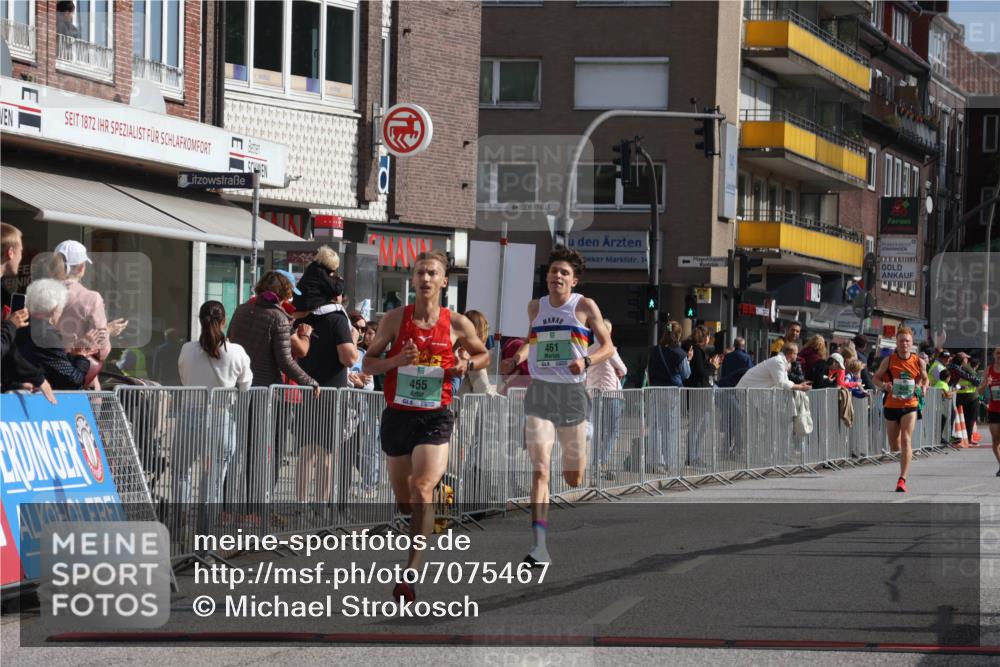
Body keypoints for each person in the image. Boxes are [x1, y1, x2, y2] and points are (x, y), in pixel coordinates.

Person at [362, 250, 489, 602]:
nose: (426, 278)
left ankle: (410, 573)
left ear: (443, 281)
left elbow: (484, 355)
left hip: (436, 415)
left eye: (432, 273)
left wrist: (466, 364)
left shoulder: (457, 323)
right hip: (398, 415)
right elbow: (368, 363)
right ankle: (418, 517)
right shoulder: (394, 319)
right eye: (420, 273)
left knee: (421, 490)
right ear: (413, 280)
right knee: (405, 501)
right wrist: (396, 361)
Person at [500, 248, 614, 568]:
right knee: (540, 470)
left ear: (573, 280)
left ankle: (581, 445)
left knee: (573, 476)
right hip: (541, 392)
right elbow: (530, 340)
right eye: (553, 271)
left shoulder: (584, 306)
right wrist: (517, 358)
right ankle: (539, 547)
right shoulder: (535, 306)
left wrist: (586, 360)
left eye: (564, 272)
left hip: (572, 394)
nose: (557, 276)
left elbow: (608, 347)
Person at [291, 256, 359, 504]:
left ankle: (301, 504)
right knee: (327, 455)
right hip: (332, 392)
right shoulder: (337, 319)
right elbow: (349, 358)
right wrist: (353, 337)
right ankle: (320, 507)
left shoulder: (304, 317)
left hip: (308, 390)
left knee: (305, 453)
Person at [178, 301, 253, 500]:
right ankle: (206, 526)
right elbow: (245, 386)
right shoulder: (237, 351)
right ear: (224, 321)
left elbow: (184, 379)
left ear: (200, 321)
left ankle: (181, 517)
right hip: (222, 418)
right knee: (215, 476)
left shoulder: (187, 349)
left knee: (180, 471)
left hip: (189, 416)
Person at [48, 240, 127, 374]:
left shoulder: (40, 295)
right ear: (81, 267)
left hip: (41, 378)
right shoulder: (91, 298)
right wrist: (107, 330)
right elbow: (101, 351)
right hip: (75, 376)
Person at [1, 223, 55, 401]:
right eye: (20, 251)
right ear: (10, 253)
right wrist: (10, 325)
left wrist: (15, 383)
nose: (21, 257)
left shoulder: (4, 294)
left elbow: (8, 352)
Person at [873, 327, 928, 493]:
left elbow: (925, 380)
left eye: (907, 341)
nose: (904, 343)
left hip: (910, 405)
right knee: (894, 445)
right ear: (896, 342)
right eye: (901, 340)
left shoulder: (919, 361)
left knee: (906, 440)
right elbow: (875, 378)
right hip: (891, 405)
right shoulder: (888, 361)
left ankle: (902, 479)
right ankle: (905, 456)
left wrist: (922, 387)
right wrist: (884, 385)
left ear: (912, 343)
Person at [20, 279, 99, 390]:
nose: (61, 314)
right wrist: (81, 356)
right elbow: (74, 380)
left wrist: (74, 356)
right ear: (54, 308)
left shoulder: (20, 324)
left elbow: (52, 363)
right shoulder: (46, 335)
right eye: (62, 309)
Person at [585, 318, 627, 477]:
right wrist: (618, 372)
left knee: (596, 430)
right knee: (612, 431)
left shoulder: (588, 350)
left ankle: (595, 463)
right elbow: (624, 368)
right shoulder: (609, 349)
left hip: (593, 393)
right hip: (611, 393)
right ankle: (602, 461)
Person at [737, 342, 812, 391]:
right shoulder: (778, 362)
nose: (797, 356)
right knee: (751, 415)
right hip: (745, 390)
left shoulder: (781, 361)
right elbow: (781, 383)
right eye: (796, 353)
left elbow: (785, 381)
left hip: (749, 390)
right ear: (790, 354)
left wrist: (799, 385)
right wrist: (800, 387)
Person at [977, 346, 1000, 476]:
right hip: (994, 409)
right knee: (996, 440)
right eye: (997, 353)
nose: (999, 355)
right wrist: (986, 383)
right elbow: (979, 391)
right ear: (994, 355)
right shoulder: (988, 370)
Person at [647, 321, 691, 388]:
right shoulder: (680, 354)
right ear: (678, 335)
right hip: (674, 392)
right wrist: (688, 360)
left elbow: (650, 370)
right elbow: (686, 375)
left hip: (656, 390)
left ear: (665, 333)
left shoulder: (655, 350)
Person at [952, 352, 980, 445]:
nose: (967, 360)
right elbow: (975, 380)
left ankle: (965, 438)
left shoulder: (957, 368)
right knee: (970, 419)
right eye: (966, 359)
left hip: (959, 396)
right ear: (963, 359)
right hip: (970, 396)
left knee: (962, 419)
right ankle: (968, 439)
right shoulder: (967, 368)